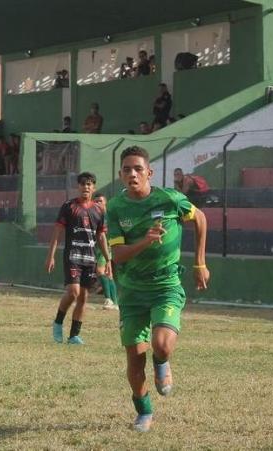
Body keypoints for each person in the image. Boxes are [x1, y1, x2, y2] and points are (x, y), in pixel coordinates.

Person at [106, 146, 209, 432]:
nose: (132, 174)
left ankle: (162, 361)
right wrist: (146, 241)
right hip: (131, 291)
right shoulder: (115, 207)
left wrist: (200, 263)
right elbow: (119, 255)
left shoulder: (170, 199)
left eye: (138, 169)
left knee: (161, 344)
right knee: (134, 360)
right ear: (120, 175)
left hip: (166, 285)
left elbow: (200, 218)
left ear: (149, 172)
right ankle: (144, 412)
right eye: (126, 170)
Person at [44, 172, 110, 345]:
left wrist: (108, 259)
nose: (86, 187)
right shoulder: (69, 206)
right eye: (82, 184)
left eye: (89, 184)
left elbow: (101, 237)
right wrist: (50, 256)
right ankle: (58, 322)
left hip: (89, 258)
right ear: (78, 187)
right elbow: (57, 232)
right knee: (73, 292)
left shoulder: (98, 210)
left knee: (83, 298)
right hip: (73, 256)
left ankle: (74, 335)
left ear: (94, 187)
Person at [93, 193, 118, 311]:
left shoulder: (109, 217)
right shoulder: (94, 216)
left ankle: (108, 299)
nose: (97, 203)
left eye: (100, 201)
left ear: (105, 203)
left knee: (100, 271)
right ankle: (115, 301)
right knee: (109, 274)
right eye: (95, 201)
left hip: (107, 247)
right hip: (96, 248)